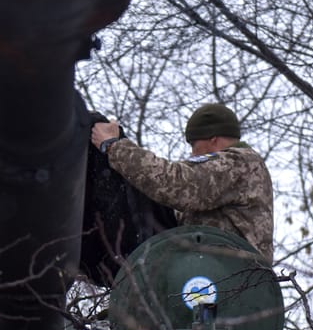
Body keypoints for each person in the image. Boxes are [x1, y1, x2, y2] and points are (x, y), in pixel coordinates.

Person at [89, 103, 273, 264]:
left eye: (194, 145)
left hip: (231, 278)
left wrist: (114, 146)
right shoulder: (236, 169)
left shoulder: (239, 163)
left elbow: (177, 184)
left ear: (213, 139)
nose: (192, 154)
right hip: (216, 276)